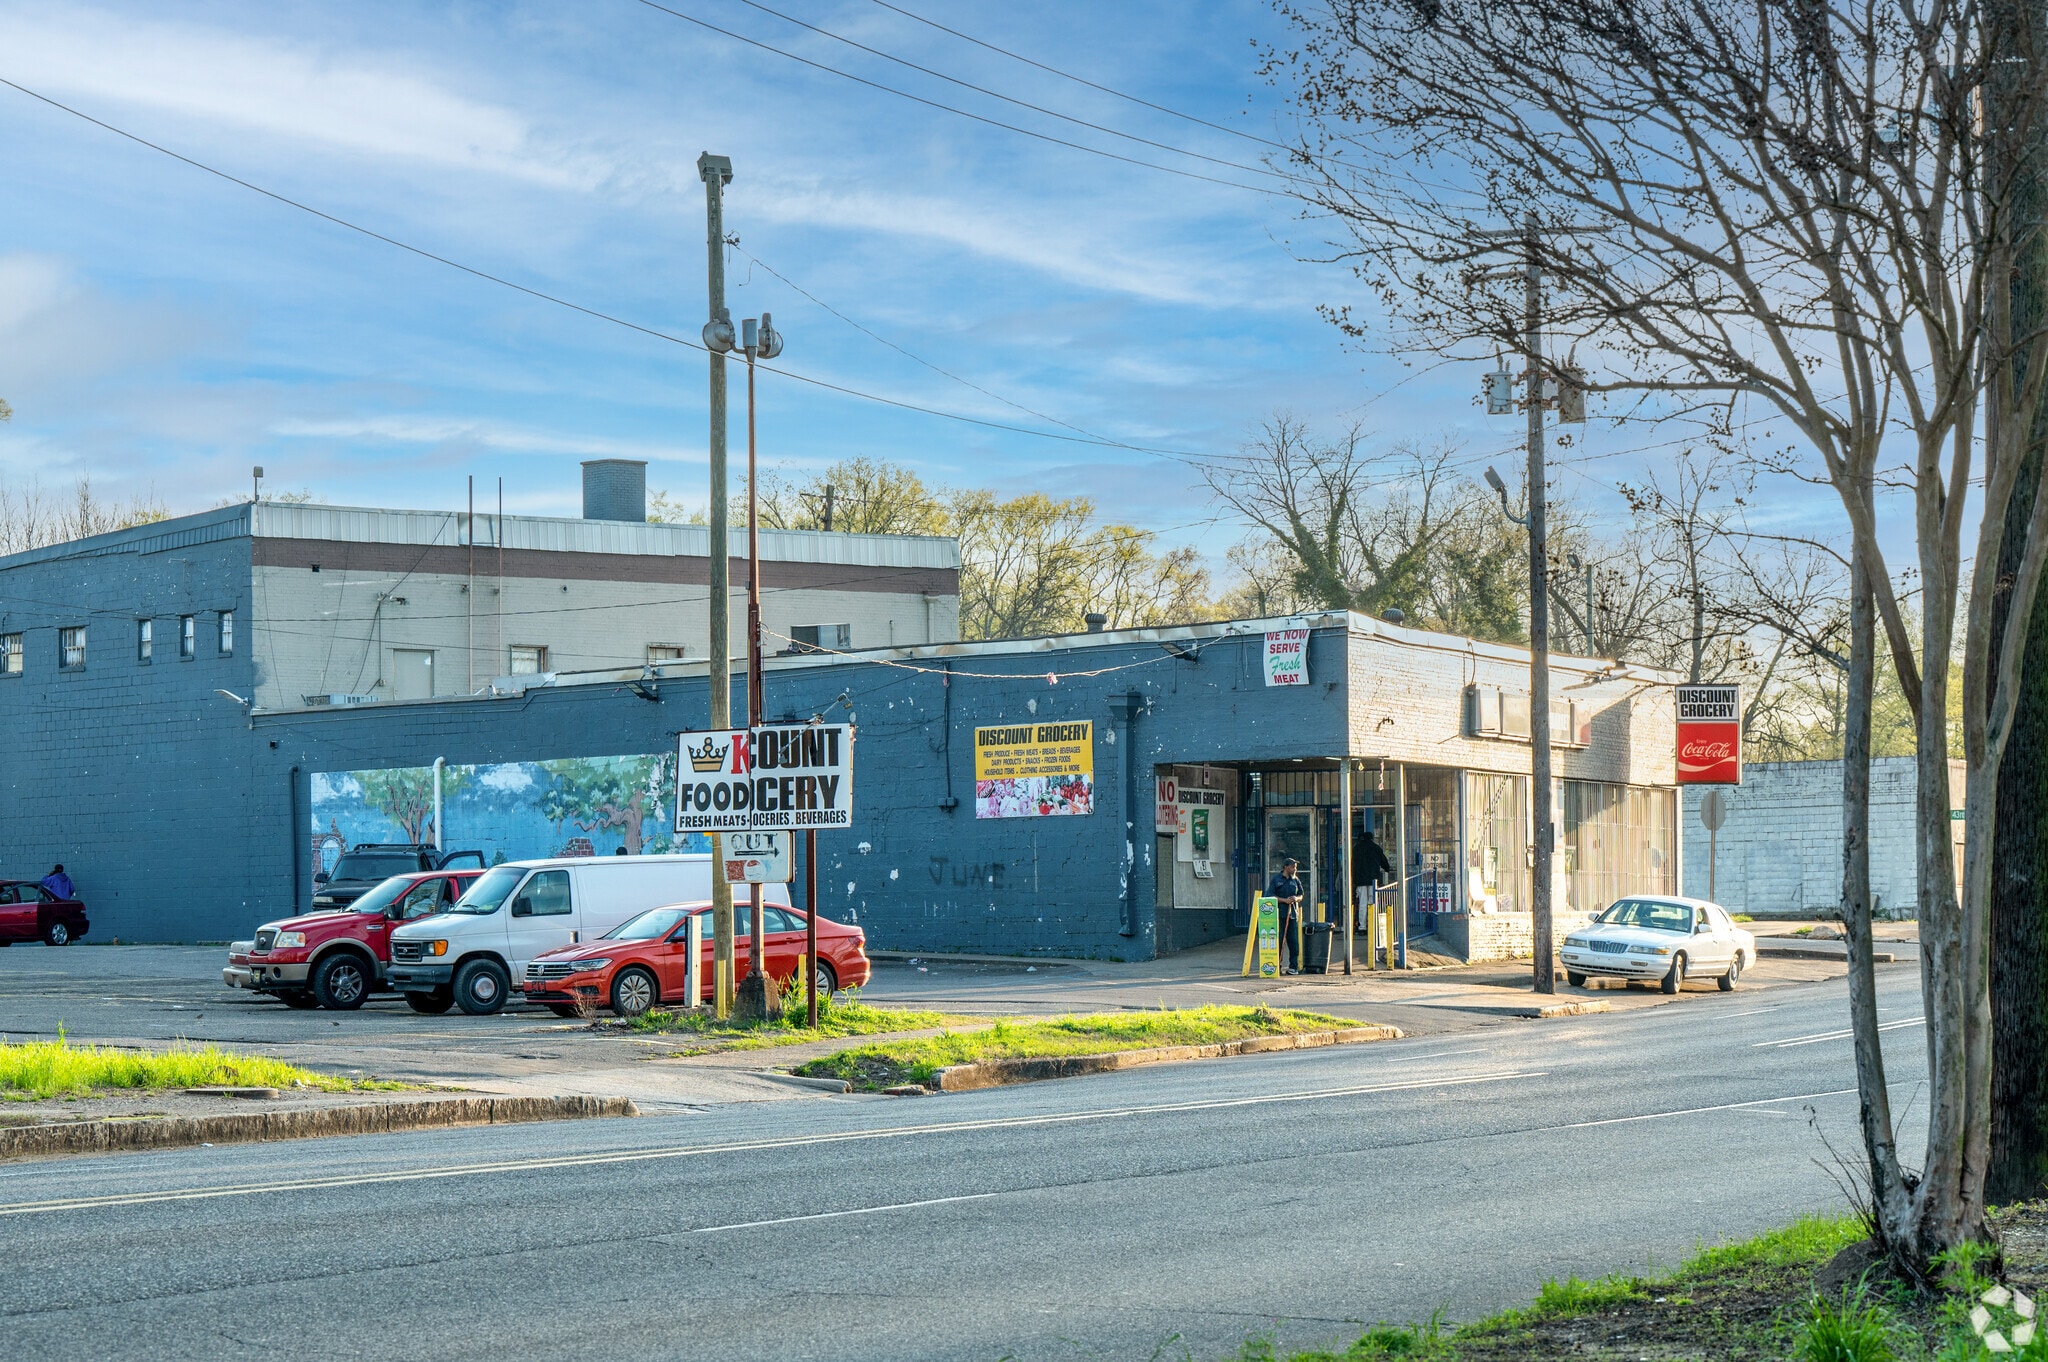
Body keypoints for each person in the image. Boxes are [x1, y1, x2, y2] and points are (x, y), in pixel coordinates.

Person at [1265, 858, 1305, 974]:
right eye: (1293, 866)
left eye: (1295, 867)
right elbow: (1270, 895)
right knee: (1279, 940)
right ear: (1286, 867)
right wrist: (1283, 900)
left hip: (1292, 914)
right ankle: (1277, 966)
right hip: (1278, 914)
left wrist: (1296, 899)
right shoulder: (1276, 880)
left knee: (1293, 942)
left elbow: (1301, 894)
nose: (1295, 869)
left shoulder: (1295, 880)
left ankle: (1293, 967)